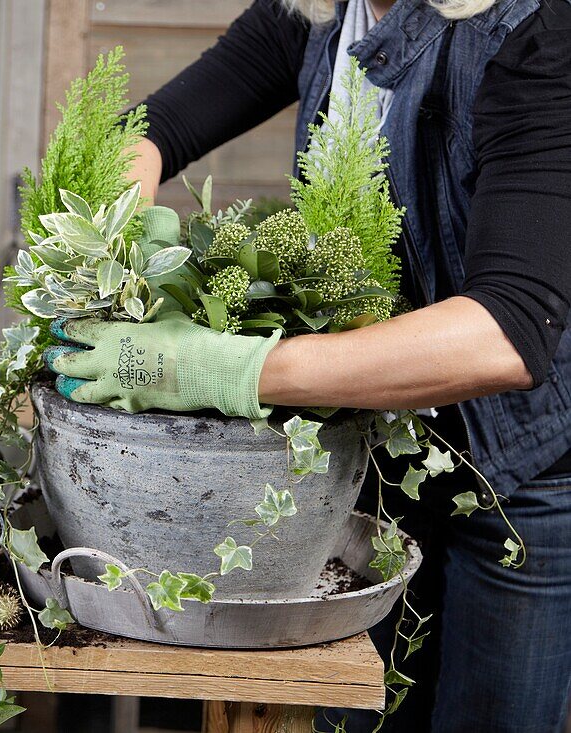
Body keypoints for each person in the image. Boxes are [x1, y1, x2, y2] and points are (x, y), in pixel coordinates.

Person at [43, 1, 571, 731]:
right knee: (356, 709)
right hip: (387, 453)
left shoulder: (533, 34)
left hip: (523, 477)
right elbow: (156, 128)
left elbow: (507, 332)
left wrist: (222, 369)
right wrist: (112, 240)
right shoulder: (320, 11)